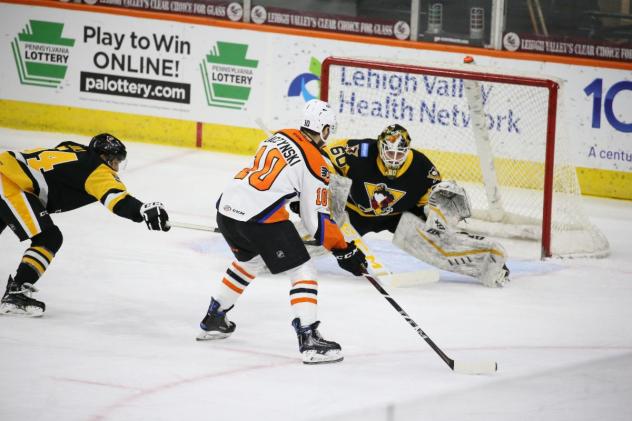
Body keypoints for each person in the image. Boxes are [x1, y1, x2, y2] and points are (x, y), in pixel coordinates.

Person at [197, 99, 367, 365]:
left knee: (250, 261)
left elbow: (276, 179)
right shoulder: (317, 163)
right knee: (303, 271)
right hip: (260, 219)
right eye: (328, 130)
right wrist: (343, 249)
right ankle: (310, 340)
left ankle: (214, 317)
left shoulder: (279, 136)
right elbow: (317, 223)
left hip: (228, 210)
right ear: (323, 130)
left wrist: (297, 195)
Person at [0, 133, 171, 316]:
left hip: (7, 169)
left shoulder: (76, 150)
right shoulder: (97, 169)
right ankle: (15, 295)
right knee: (49, 238)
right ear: (104, 157)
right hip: (9, 183)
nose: (116, 167)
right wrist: (142, 210)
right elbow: (117, 200)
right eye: (114, 161)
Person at [324, 123, 510, 288]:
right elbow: (323, 158)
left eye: (399, 154)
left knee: (434, 244)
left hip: (398, 216)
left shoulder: (422, 168)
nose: (394, 159)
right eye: (389, 153)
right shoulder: (359, 150)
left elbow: (430, 204)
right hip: (352, 213)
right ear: (380, 147)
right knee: (318, 236)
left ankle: (489, 260)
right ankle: (293, 251)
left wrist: (435, 218)